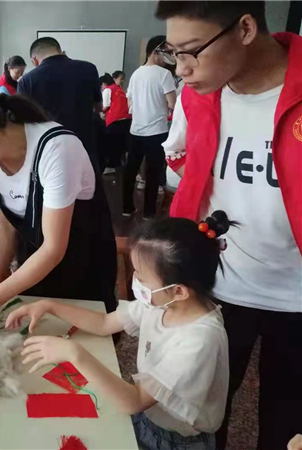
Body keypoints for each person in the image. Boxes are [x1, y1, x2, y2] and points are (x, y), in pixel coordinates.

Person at [155, 2, 302, 449]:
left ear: (245, 28)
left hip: (296, 296)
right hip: (219, 285)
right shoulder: (197, 94)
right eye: (173, 52)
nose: (181, 69)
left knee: (287, 423)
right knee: (198, 414)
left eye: (192, 51)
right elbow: (178, 157)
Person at [8, 211, 233, 450]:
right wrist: (49, 306)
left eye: (141, 277)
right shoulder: (161, 303)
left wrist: (74, 354)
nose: (134, 280)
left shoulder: (199, 341)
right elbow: (104, 323)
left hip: (175, 441)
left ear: (179, 291)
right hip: (149, 417)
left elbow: (134, 401)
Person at [0, 82, 117, 329]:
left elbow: (53, 248)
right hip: (34, 266)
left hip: (81, 266)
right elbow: (7, 227)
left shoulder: (56, 149)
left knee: (79, 343)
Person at [17, 37, 103, 166]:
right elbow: (99, 107)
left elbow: (22, 120)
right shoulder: (89, 69)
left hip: (49, 150)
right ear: (60, 51)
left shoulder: (27, 80)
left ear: (34, 60)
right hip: (84, 146)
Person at [123, 35, 177, 219]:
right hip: (157, 132)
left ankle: (127, 208)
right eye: (165, 53)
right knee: (153, 172)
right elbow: (172, 104)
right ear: (155, 52)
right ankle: (148, 212)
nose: (167, 58)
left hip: (136, 130)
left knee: (131, 170)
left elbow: (129, 102)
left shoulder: (136, 74)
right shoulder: (164, 74)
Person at [102, 70, 132, 174]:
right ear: (114, 79)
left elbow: (106, 106)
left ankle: (112, 166)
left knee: (114, 145)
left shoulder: (111, 90)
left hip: (117, 121)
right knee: (118, 145)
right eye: (121, 79)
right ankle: (114, 165)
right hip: (121, 121)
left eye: (123, 79)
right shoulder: (119, 91)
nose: (122, 81)